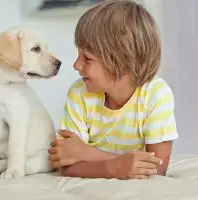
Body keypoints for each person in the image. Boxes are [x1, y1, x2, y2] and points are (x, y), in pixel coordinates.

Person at [48, 0, 178, 180]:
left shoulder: (156, 94)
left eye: (87, 58)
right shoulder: (79, 93)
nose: (76, 65)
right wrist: (114, 167)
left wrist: (89, 155)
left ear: (122, 62)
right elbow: (66, 165)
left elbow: (157, 170)